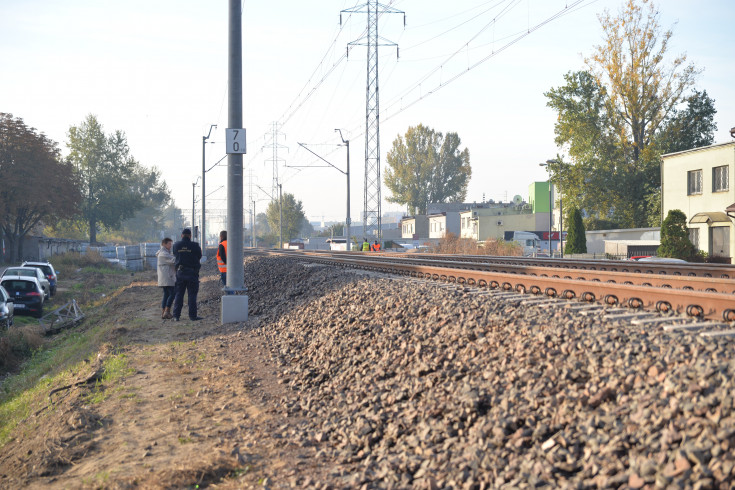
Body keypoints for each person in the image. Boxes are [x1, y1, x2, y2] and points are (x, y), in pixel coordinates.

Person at [172, 228, 203, 321]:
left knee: (179, 294)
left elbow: (175, 255)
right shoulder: (195, 245)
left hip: (180, 273)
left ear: (182, 235)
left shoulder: (176, 245)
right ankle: (192, 316)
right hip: (192, 273)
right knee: (192, 295)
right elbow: (199, 256)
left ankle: (176, 316)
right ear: (190, 236)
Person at [156, 237, 176, 319]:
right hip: (167, 277)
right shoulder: (163, 254)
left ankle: (164, 312)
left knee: (166, 294)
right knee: (172, 293)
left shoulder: (164, 252)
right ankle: (166, 311)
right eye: (169, 244)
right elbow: (173, 260)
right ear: (164, 244)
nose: (170, 245)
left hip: (165, 277)